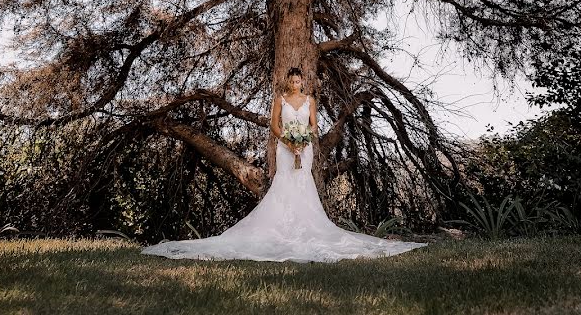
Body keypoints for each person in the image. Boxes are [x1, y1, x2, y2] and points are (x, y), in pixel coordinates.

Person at [139, 67, 428, 262]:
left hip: (305, 148)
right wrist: (289, 142)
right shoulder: (280, 99)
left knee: (303, 188)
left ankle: (306, 227)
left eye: (298, 80)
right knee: (284, 186)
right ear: (287, 82)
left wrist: (304, 141)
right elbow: (274, 126)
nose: (295, 84)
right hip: (285, 148)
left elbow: (314, 127)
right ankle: (279, 229)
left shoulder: (311, 100)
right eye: (292, 80)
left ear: (303, 81)